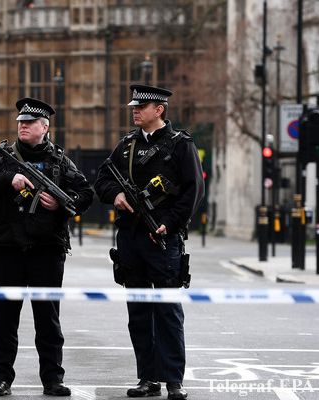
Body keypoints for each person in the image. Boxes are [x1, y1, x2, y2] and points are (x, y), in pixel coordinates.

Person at [0, 97, 93, 397]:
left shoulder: (59, 161)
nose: (23, 126)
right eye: (20, 122)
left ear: (44, 127)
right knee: (4, 320)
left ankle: (52, 379)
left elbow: (85, 194)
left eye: (29, 123)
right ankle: (0, 378)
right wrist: (7, 179)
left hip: (46, 250)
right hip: (6, 248)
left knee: (48, 319)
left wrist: (61, 206)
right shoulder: (2, 159)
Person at [94, 85, 204, 400]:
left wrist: (170, 223)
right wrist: (114, 194)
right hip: (130, 238)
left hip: (163, 239)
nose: (135, 111)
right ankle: (147, 377)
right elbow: (102, 178)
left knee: (168, 311)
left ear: (160, 110)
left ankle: (173, 380)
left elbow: (194, 191)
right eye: (134, 107)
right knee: (139, 311)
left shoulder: (180, 145)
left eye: (142, 107)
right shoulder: (126, 146)